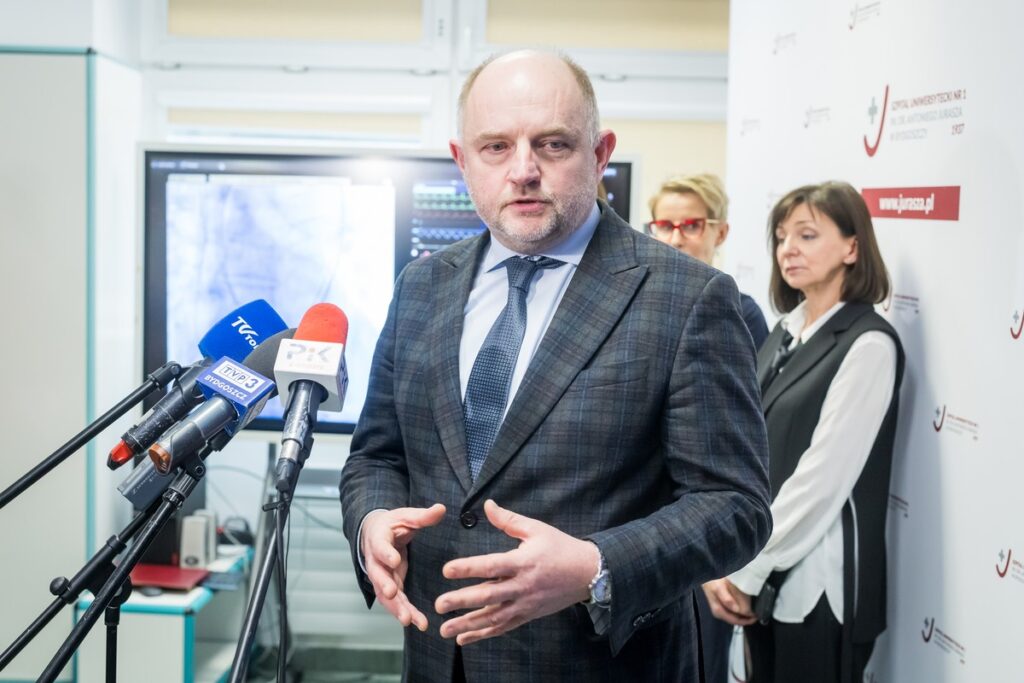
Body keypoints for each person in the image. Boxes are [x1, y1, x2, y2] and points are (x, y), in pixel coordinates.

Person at [339, 49, 772, 682]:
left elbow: (735, 505)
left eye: (553, 144)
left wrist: (598, 565)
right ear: (463, 162)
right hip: (437, 662)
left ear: (600, 154)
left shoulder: (689, 297)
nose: (523, 171)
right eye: (495, 148)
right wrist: (372, 522)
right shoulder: (422, 286)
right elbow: (377, 455)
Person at [702, 181, 904, 683]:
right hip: (762, 573)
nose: (788, 248)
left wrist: (747, 570)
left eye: (808, 235)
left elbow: (822, 479)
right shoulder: (785, 331)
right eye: (781, 236)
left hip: (819, 590)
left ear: (853, 247)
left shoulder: (868, 343)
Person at [647, 173, 769, 349]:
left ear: (721, 233)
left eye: (691, 226)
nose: (675, 240)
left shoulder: (743, 313)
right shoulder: (636, 306)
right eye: (665, 226)